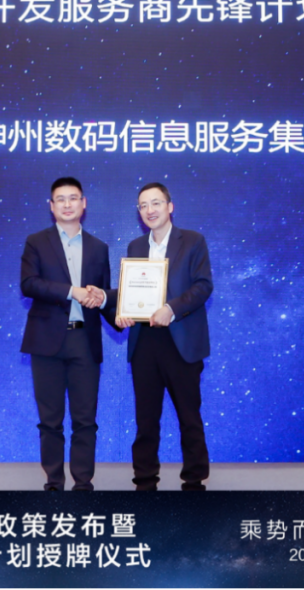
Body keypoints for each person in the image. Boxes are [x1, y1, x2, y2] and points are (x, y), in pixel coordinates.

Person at [111, 182, 212, 491]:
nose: (149, 210)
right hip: (144, 342)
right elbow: (130, 293)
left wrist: (171, 308)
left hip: (181, 342)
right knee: (146, 419)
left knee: (189, 417)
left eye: (156, 203)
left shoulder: (193, 241)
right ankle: (144, 482)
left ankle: (193, 481)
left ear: (170, 206)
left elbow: (203, 285)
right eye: (143, 205)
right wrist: (122, 311)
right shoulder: (135, 247)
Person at [19, 177, 110, 491]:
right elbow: (28, 283)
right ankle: (54, 484)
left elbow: (102, 296)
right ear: (51, 206)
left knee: (85, 420)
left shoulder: (99, 247)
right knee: (50, 420)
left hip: (85, 341)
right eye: (61, 199)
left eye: (73, 198)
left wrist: (119, 309)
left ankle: (83, 484)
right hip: (46, 342)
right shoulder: (36, 242)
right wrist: (72, 291)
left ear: (84, 203)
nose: (67, 204)